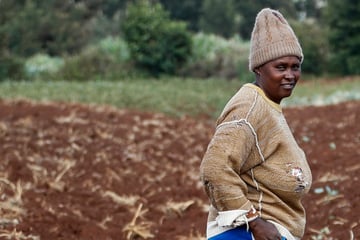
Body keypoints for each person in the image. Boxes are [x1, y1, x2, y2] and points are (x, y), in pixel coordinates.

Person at [200, 8, 312, 240]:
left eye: (295, 66)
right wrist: (255, 222)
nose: (290, 75)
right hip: (246, 234)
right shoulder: (249, 107)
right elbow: (215, 168)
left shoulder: (268, 105)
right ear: (259, 68)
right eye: (281, 67)